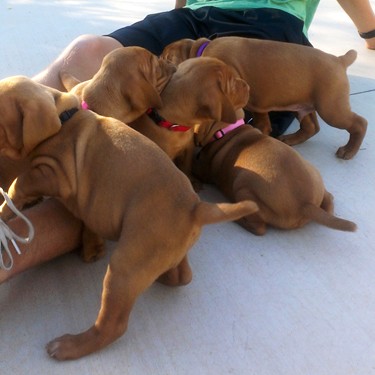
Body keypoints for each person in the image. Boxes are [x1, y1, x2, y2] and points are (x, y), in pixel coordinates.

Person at [1, 0, 375, 283]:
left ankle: (11, 247)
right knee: (86, 52)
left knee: (123, 165)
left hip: (266, 26)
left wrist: (370, 31)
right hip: (195, 18)